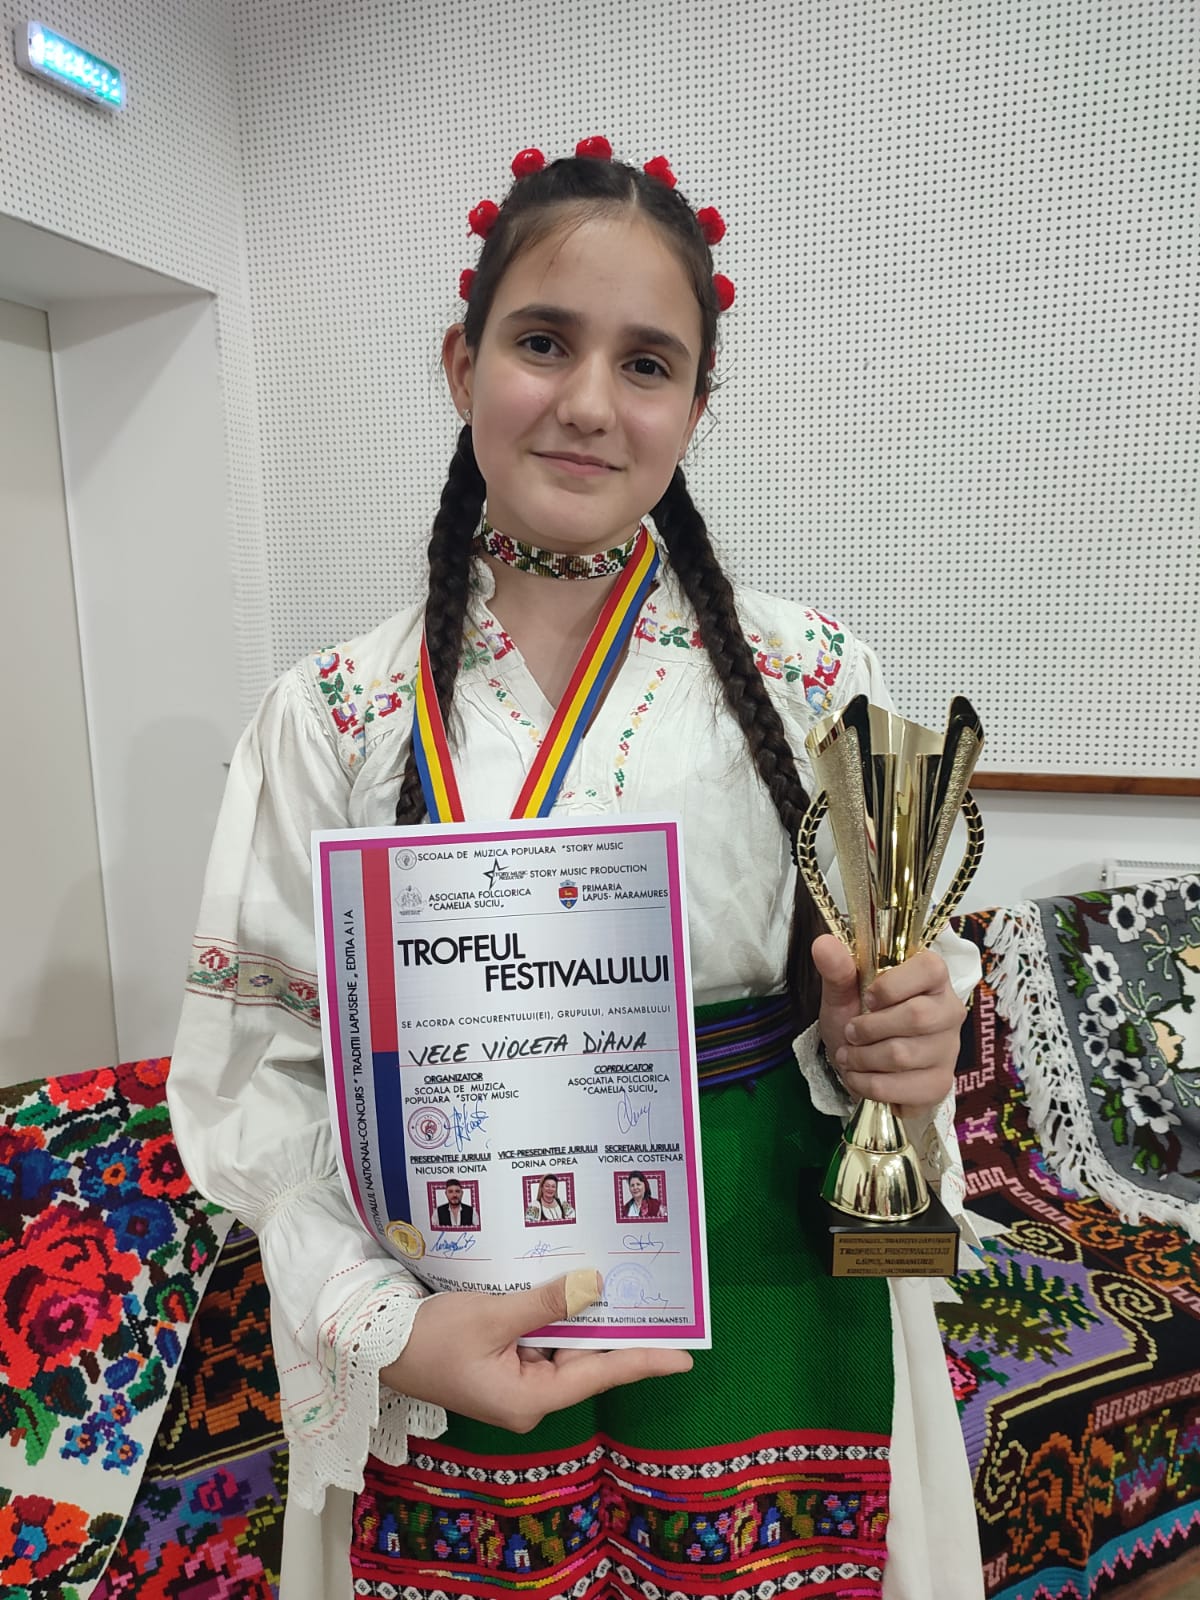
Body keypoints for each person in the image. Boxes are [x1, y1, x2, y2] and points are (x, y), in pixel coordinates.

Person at [168, 140, 984, 1599]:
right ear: (462, 361)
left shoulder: (809, 678)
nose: (592, 403)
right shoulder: (337, 714)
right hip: (448, 1292)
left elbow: (900, 974)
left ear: (697, 406)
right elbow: (264, 1071)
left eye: (648, 363)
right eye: (543, 342)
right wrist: (382, 1328)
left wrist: (903, 1035)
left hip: (766, 1275)